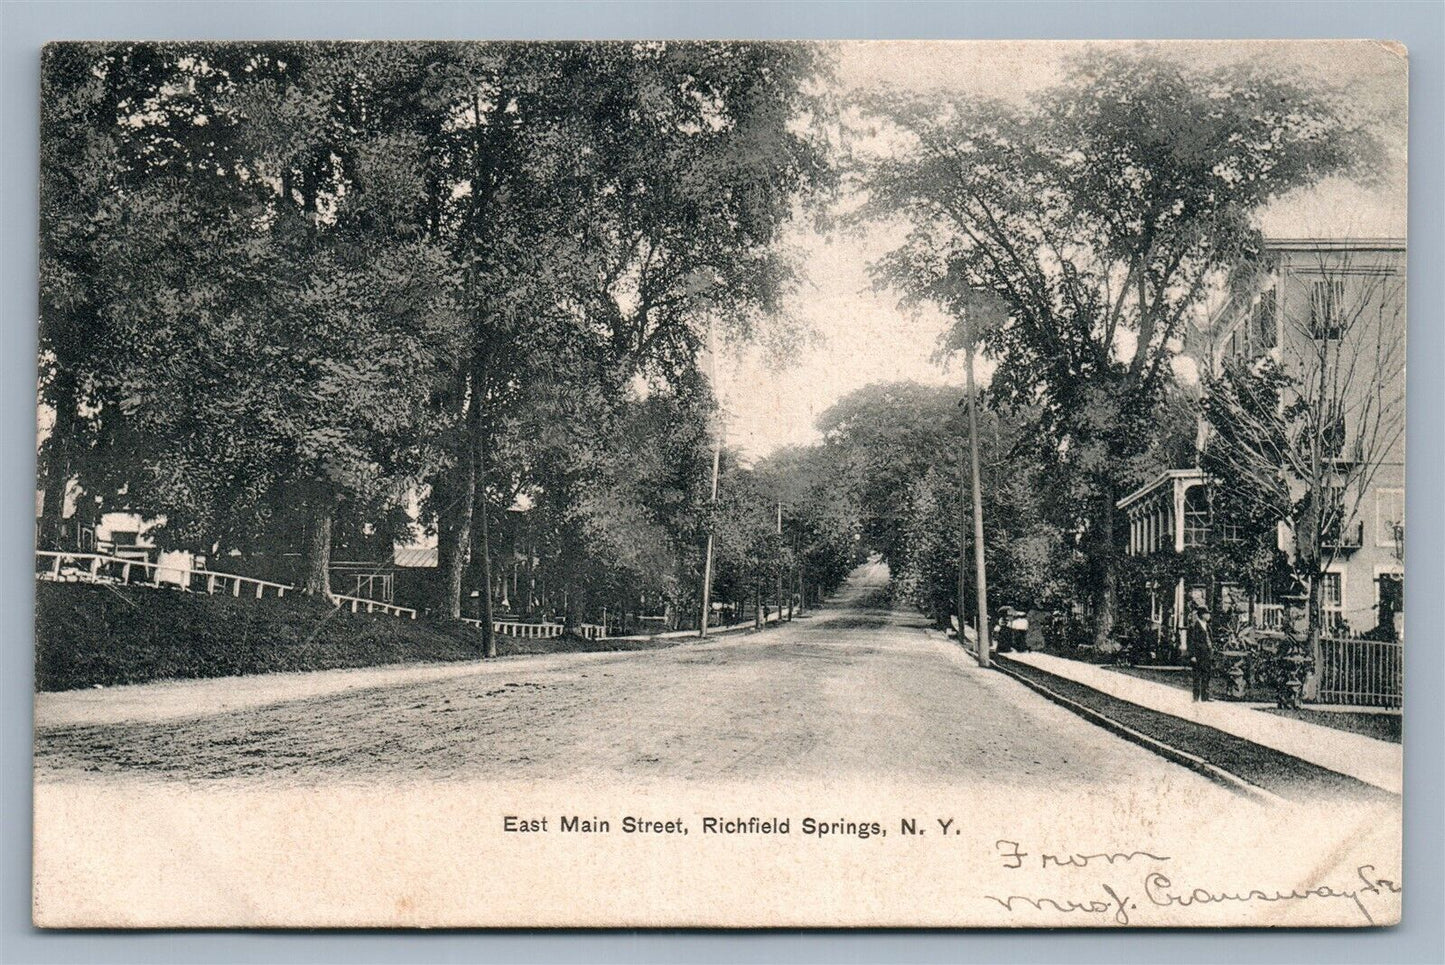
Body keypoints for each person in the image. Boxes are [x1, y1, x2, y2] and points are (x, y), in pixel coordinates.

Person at [1185, 599, 1214, 702]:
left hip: (1207, 654)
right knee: (1197, 676)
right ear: (1202, 615)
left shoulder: (1208, 627)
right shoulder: (1194, 626)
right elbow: (1191, 642)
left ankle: (1205, 696)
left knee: (1206, 675)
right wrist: (1192, 655)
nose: (1209, 616)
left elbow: (1210, 640)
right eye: (1207, 614)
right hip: (1198, 655)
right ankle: (1196, 697)